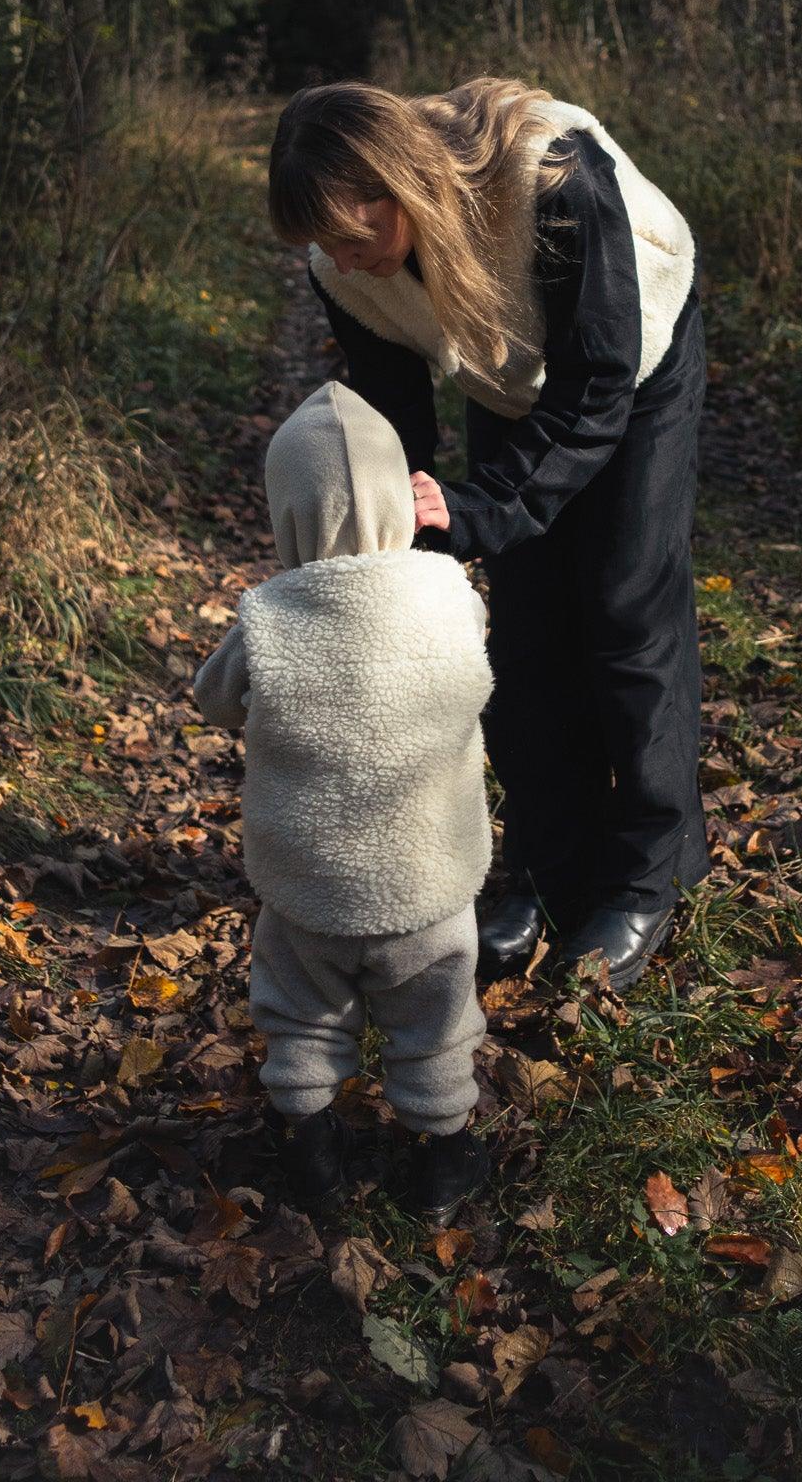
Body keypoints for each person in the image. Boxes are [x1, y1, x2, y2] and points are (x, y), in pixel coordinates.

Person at [268, 77, 708, 992]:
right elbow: (391, 420)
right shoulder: (342, 267)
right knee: (527, 631)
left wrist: (481, 508)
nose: (341, 264)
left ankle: (648, 873)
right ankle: (548, 880)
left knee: (624, 608)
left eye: (355, 237)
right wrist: (394, 544)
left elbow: (595, 390)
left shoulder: (550, 180)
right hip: (507, 367)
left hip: (630, 361)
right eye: (325, 247)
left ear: (403, 189)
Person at [193, 381, 494, 1224]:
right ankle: (441, 1155)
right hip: (427, 880)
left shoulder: (270, 617)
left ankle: (310, 1145)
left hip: (311, 886)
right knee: (434, 1016)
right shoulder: (450, 597)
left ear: (284, 511)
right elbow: (474, 665)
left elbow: (212, 699)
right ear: (405, 497)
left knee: (299, 1008)